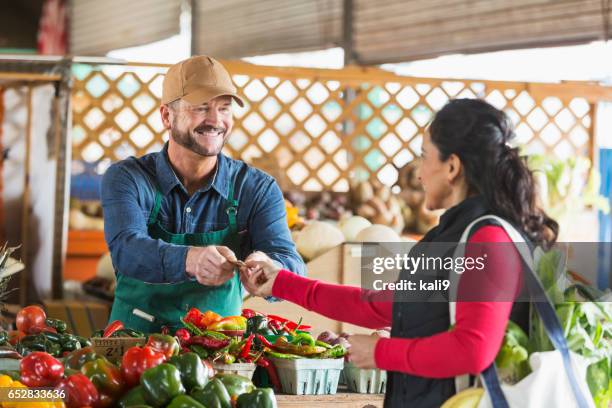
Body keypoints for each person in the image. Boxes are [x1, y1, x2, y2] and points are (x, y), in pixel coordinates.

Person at [239, 99, 558, 407]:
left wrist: (381, 352)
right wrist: (279, 283)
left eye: (424, 156)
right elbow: (379, 306)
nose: (419, 173)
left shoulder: (488, 239)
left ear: (452, 166)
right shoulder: (455, 236)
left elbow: (473, 349)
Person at [101, 55, 305, 333]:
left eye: (224, 108)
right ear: (166, 116)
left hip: (221, 349)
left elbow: (291, 262)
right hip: (132, 346)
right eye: (201, 108)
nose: (215, 120)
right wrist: (190, 259)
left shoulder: (257, 188)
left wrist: (272, 267)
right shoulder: (128, 178)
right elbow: (126, 249)